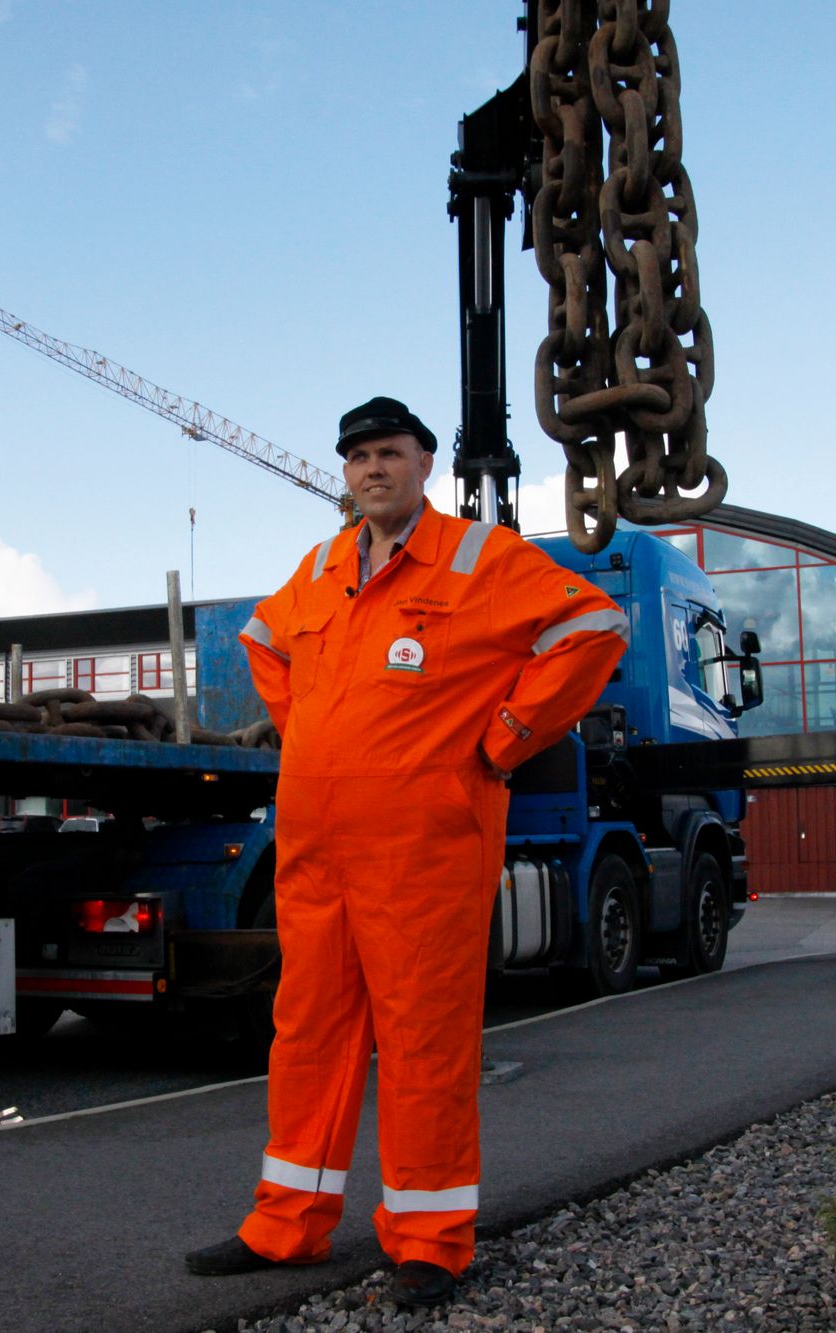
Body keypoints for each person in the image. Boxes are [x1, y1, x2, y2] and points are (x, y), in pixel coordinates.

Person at [184, 396, 628, 1307]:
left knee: (423, 1038)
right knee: (306, 1033)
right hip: (317, 849)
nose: (371, 469)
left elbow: (594, 629)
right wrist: (313, 742)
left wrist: (504, 737)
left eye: (388, 453)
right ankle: (286, 1224)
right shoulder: (320, 568)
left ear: (426, 463)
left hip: (422, 849)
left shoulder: (482, 560)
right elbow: (264, 645)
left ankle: (429, 1239)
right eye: (357, 458)